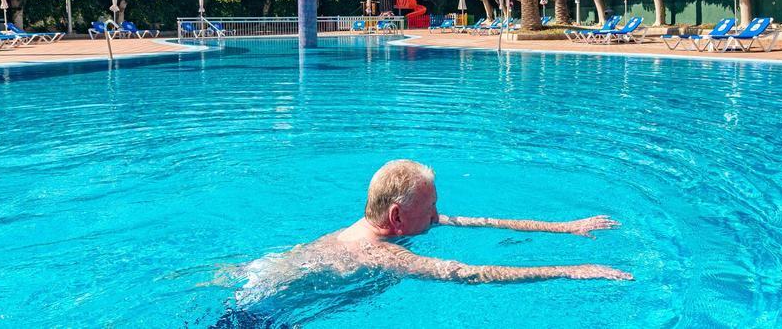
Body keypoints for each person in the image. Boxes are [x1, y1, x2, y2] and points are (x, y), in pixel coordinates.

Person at [219, 160, 631, 317]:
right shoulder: (378, 253)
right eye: (430, 208)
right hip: (261, 312)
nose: (438, 216)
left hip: (263, 281)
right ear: (397, 215)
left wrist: (565, 227)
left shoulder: (385, 223)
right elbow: (466, 274)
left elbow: (482, 222)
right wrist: (571, 270)